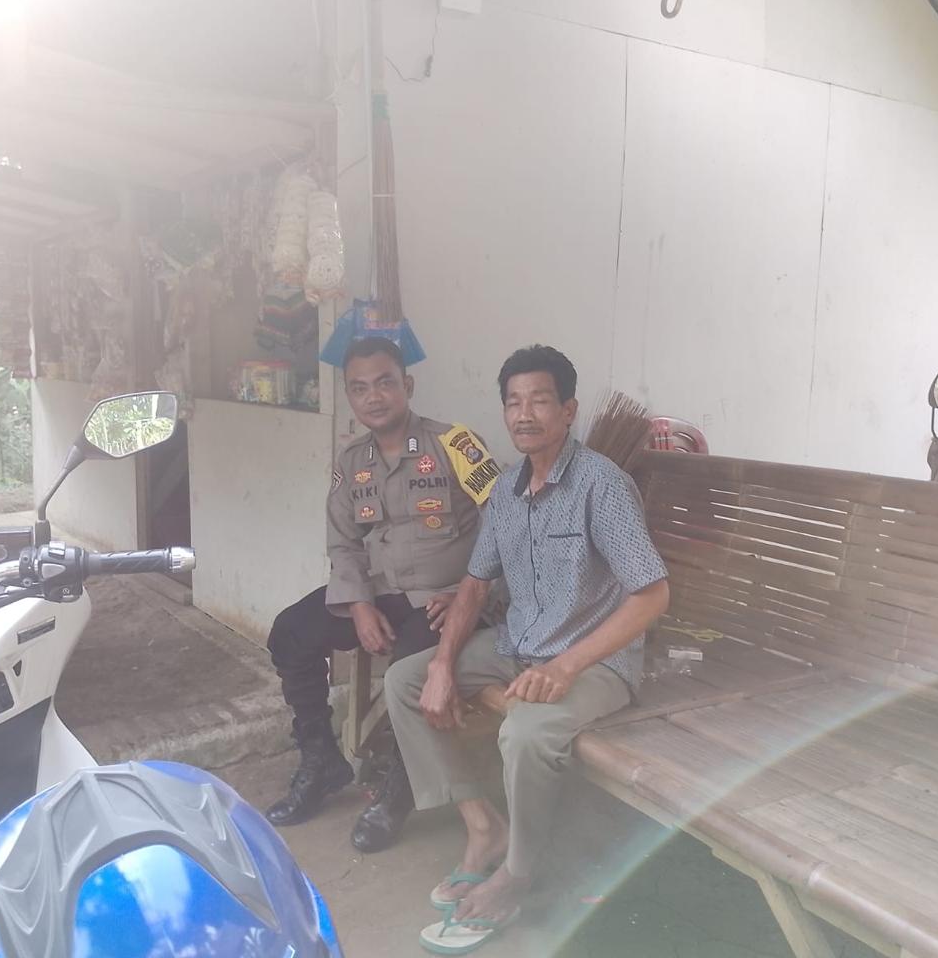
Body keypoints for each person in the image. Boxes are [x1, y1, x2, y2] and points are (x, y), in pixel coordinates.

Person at [384, 344, 670, 952]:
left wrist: (567, 665)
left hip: (594, 662)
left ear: (568, 411)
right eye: (513, 402)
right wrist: (442, 664)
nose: (524, 414)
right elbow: (474, 585)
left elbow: (652, 596)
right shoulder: (507, 491)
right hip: (520, 645)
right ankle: (482, 827)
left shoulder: (602, 485)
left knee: (526, 731)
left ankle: (518, 875)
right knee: (405, 681)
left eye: (540, 400)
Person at [266, 336, 502, 853]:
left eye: (384, 383)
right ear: (350, 397)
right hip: (378, 592)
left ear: (407, 386)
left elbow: (508, 522)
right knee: (290, 632)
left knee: (410, 665)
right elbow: (343, 542)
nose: (373, 397)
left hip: (443, 598)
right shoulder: (353, 461)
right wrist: (358, 604)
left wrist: (472, 592)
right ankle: (321, 759)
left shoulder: (456, 444)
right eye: (359, 388)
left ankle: (402, 783)